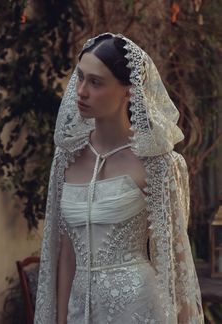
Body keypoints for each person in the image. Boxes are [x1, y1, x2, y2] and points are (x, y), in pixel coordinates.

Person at [34, 32, 204, 324]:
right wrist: (60, 319)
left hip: (137, 309)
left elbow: (176, 263)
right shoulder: (66, 159)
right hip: (79, 311)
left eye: (96, 82)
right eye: (81, 78)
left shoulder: (158, 163)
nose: (82, 91)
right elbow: (65, 256)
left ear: (129, 90)